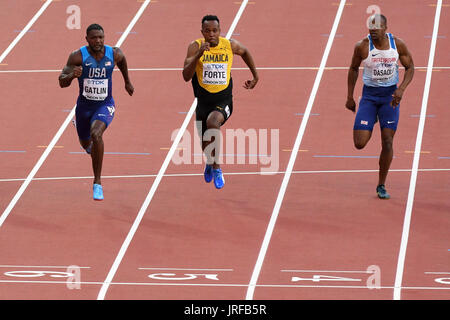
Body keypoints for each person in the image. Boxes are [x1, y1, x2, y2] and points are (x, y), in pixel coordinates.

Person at [59, 23, 134, 200]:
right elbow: (61, 81)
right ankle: (88, 144)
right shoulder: (77, 56)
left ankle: (97, 182)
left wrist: (127, 81)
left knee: (96, 134)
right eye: (94, 38)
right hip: (84, 108)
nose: (98, 41)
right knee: (86, 144)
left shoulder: (113, 53)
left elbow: (122, 61)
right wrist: (72, 75)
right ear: (87, 39)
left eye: (101, 37)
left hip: (105, 105)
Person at [182, 15, 258, 189]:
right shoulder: (195, 47)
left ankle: (217, 168)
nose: (211, 34)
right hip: (203, 101)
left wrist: (256, 76)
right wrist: (199, 55)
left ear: (220, 31)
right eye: (207, 31)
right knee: (204, 142)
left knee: (213, 123)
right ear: (202, 32)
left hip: (223, 100)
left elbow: (245, 52)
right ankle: (210, 162)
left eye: (215, 30)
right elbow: (186, 76)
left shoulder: (229, 45)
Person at [346, 14, 414, 199]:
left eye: (377, 28)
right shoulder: (362, 46)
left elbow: (410, 67)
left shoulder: (397, 45)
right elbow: (353, 68)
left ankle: (381, 184)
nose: (373, 31)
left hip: (389, 97)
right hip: (369, 96)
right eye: (371, 28)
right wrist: (350, 97)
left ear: (386, 28)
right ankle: (372, 117)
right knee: (359, 143)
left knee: (387, 141)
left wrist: (401, 90)